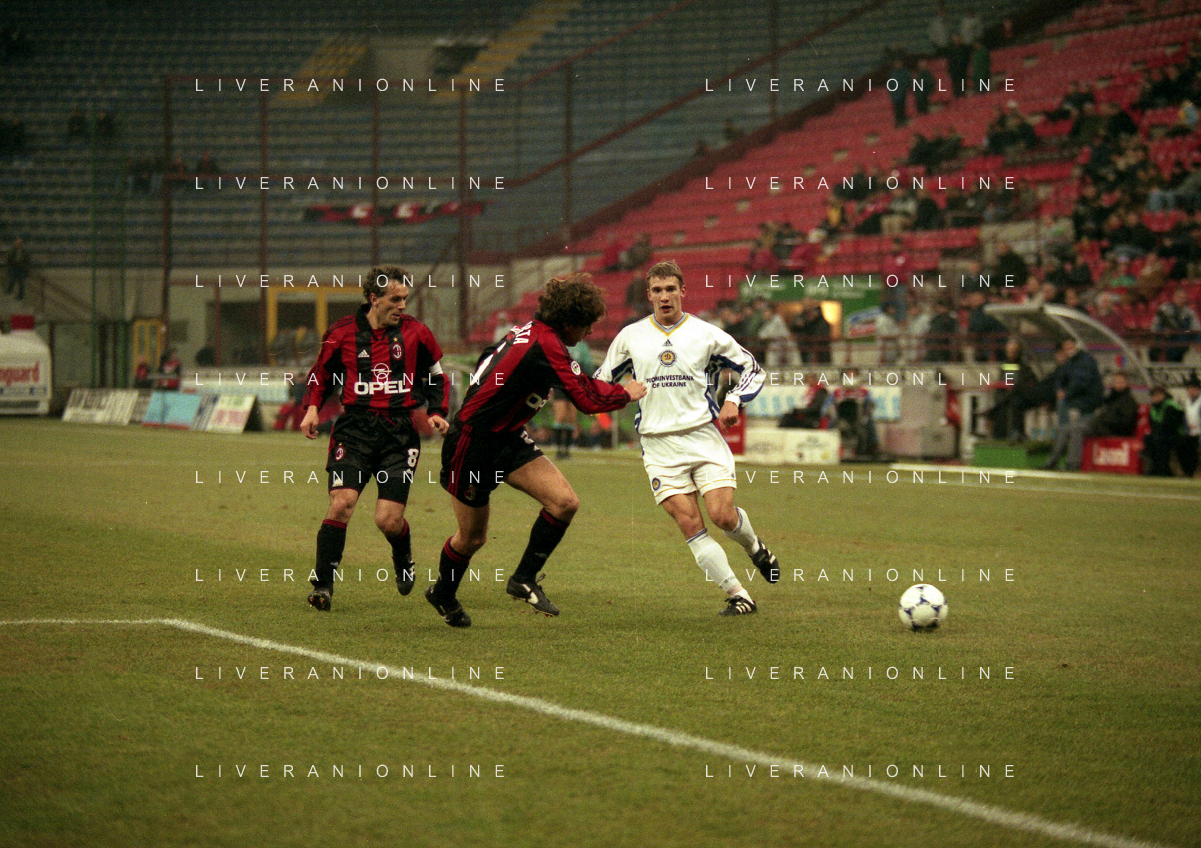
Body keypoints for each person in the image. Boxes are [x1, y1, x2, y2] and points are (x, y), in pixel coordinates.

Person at [429, 273, 645, 627]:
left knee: (564, 502)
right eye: (587, 325)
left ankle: (523, 578)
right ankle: (443, 593)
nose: (589, 332)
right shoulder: (545, 343)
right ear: (569, 321)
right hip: (474, 443)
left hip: (508, 437)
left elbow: (487, 359)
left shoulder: (530, 331)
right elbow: (585, 399)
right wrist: (625, 393)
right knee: (472, 538)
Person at [596, 260, 778, 616]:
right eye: (657, 290)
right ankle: (739, 594)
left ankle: (755, 548)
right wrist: (619, 393)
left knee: (722, 516)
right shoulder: (631, 337)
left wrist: (734, 399)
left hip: (702, 437)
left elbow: (752, 368)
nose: (664, 296)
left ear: (683, 291)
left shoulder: (707, 335)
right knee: (690, 523)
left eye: (670, 289)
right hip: (658, 445)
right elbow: (600, 382)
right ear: (649, 295)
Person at [300, 266, 450, 612]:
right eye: (395, 299)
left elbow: (437, 376)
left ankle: (403, 556)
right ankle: (323, 586)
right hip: (355, 430)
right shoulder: (341, 333)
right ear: (374, 298)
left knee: (387, 520)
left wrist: (436, 411)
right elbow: (321, 375)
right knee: (341, 503)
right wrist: (312, 409)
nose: (402, 306)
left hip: (399, 434)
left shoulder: (417, 333)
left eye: (405, 299)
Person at [1042, 338, 1104, 471]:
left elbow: (1081, 382)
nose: (1068, 350)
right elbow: (1060, 378)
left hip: (1087, 405)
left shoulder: (1086, 360)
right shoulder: (1069, 363)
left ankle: (1071, 463)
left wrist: (1066, 393)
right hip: (1075, 402)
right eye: (1066, 348)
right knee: (1064, 426)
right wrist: (1059, 391)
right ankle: (1053, 461)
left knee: (1072, 427)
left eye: (1070, 346)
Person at [552, 338, 595, 458]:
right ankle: (558, 449)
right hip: (560, 383)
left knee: (571, 417)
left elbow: (588, 365)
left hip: (575, 384)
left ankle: (566, 450)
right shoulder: (560, 343)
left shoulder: (582, 346)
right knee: (560, 416)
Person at [1149, 288, 1200, 363]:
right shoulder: (1164, 309)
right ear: (1174, 298)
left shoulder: (1190, 314)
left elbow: (1196, 329)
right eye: (1179, 297)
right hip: (1164, 340)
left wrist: (1197, 342)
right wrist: (1163, 331)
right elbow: (1154, 327)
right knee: (1153, 352)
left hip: (1181, 342)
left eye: (1183, 298)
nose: (1181, 300)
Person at [1144, 384, 1185, 476]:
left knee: (1160, 440)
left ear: (1164, 395)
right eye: (1154, 396)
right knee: (1148, 439)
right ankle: (1154, 467)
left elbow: (1171, 425)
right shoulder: (1153, 408)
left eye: (1158, 395)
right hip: (1160, 434)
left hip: (1176, 435)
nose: (1156, 398)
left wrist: (1158, 432)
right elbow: (1152, 425)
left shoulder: (1171, 406)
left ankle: (1164, 469)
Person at [1086, 370, 1139, 437]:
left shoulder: (1128, 401)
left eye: (1121, 383)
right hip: (1105, 427)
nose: (1119, 385)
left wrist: (1105, 420)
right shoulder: (1111, 398)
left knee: (1082, 429)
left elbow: (1125, 423)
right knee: (1080, 426)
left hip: (1116, 432)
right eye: (1116, 382)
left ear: (1127, 384)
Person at [1180, 371, 1201, 478]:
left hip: (1198, 435)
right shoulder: (1187, 402)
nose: (1191, 391)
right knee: (1183, 446)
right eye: (1189, 389)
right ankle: (1188, 472)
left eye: (1193, 389)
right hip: (1190, 434)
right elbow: (1185, 419)